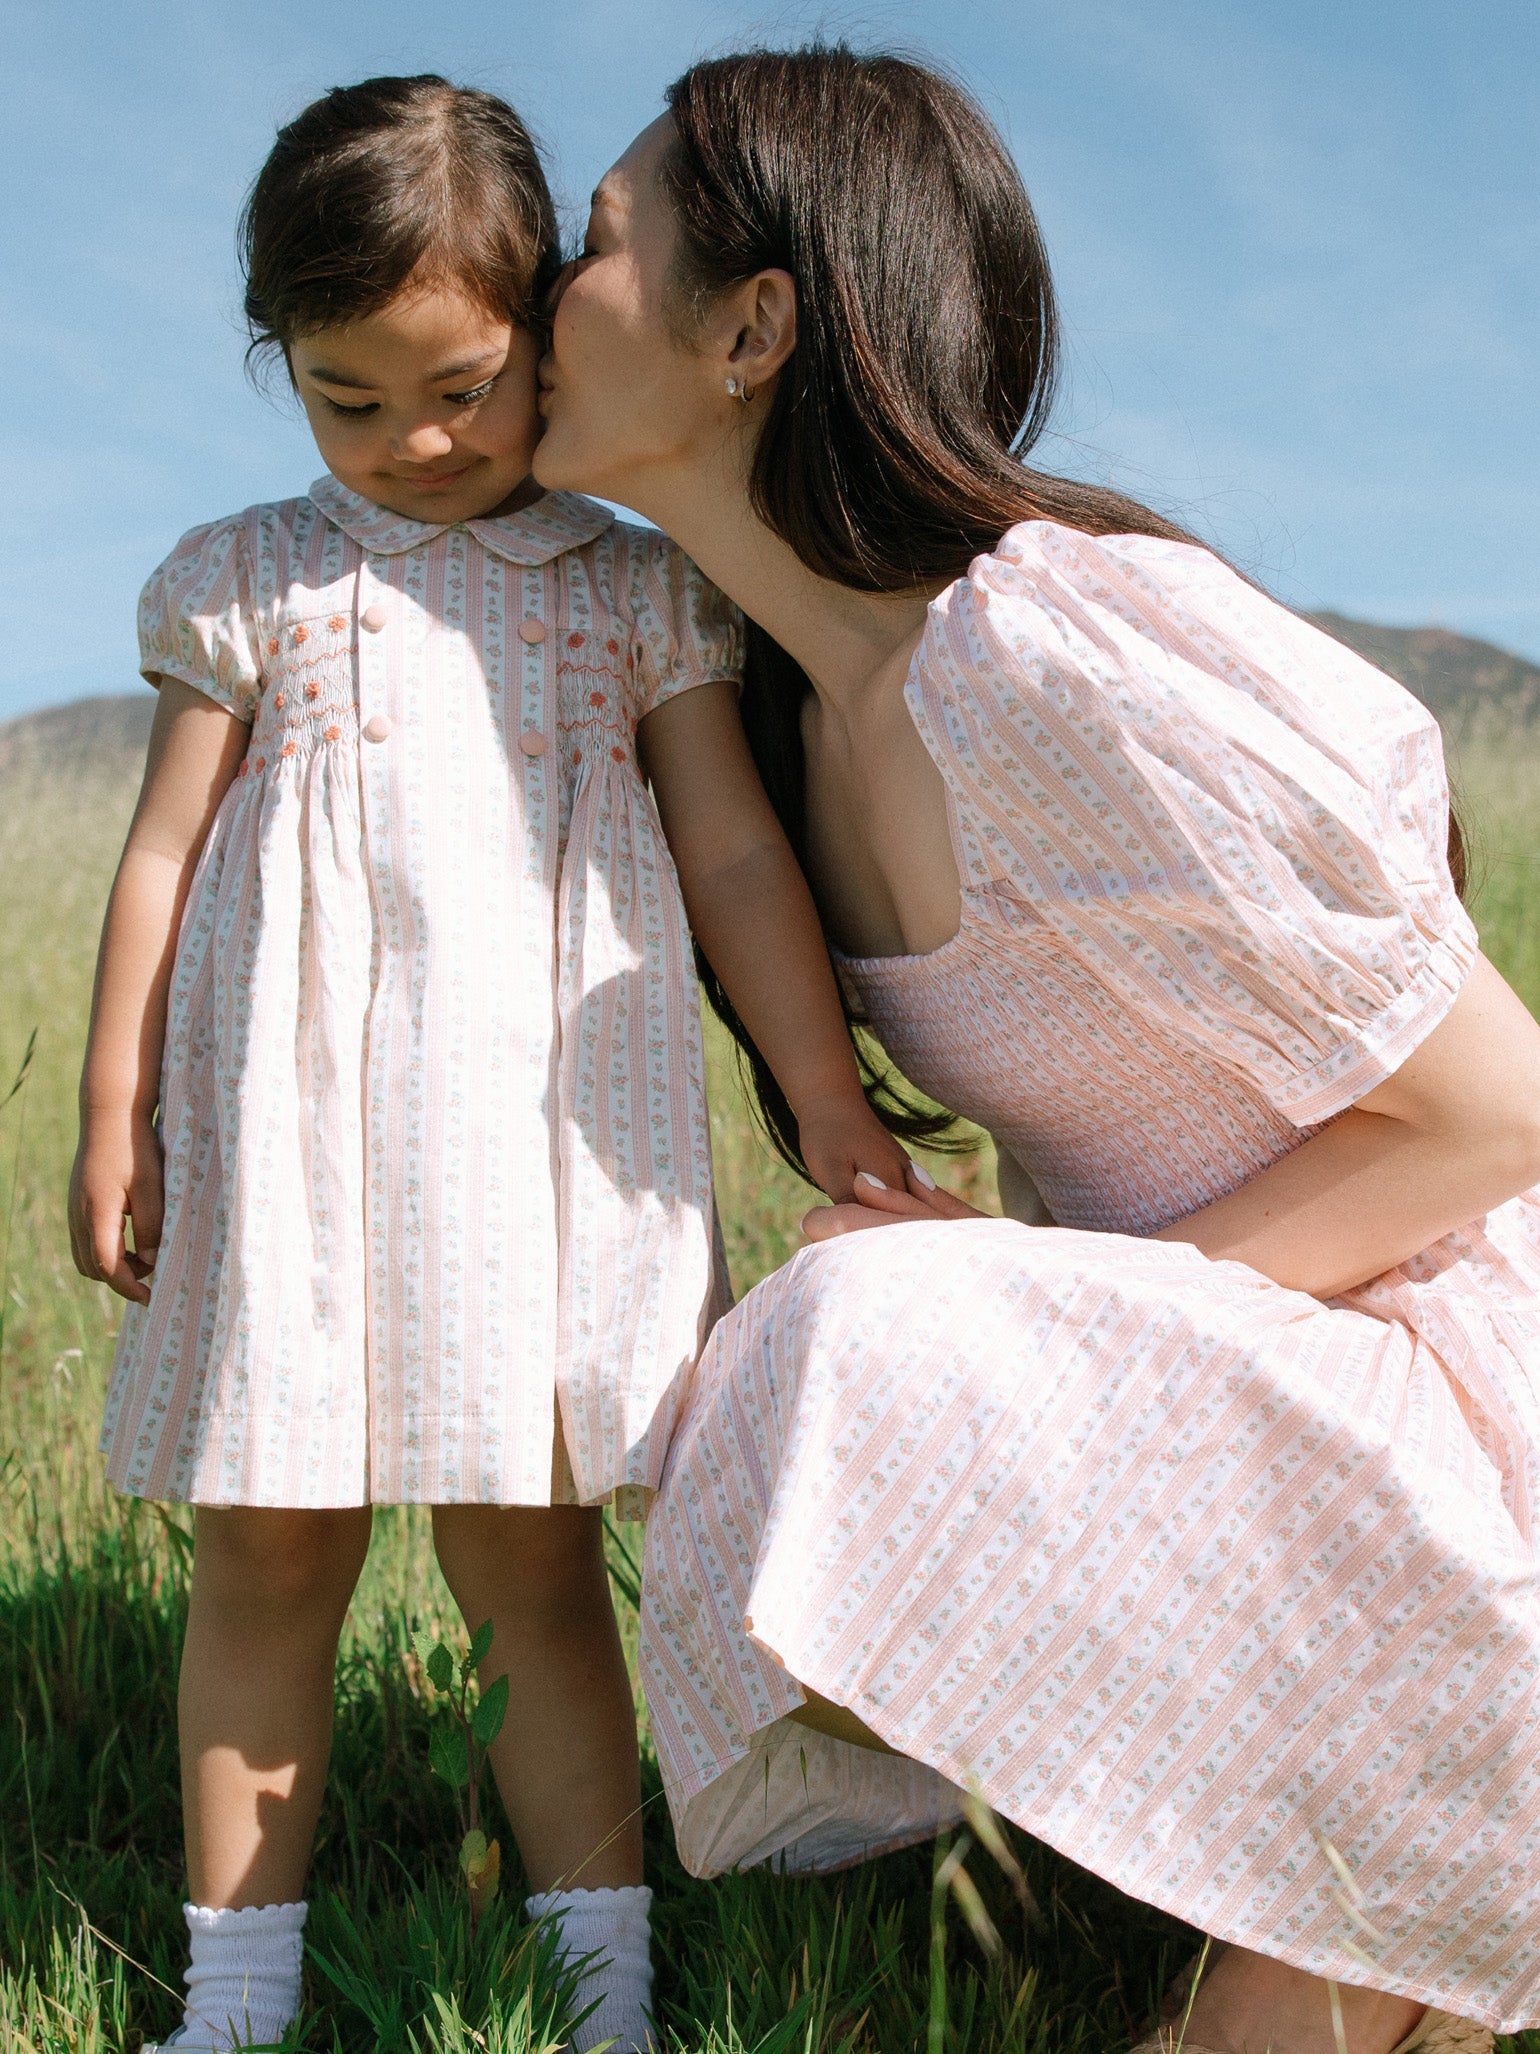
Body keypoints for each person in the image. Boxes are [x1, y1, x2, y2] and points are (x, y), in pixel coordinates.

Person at [530, 43, 1540, 2054]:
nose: (542, 286)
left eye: (596, 238)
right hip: (1249, 1370)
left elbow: (1492, 1112)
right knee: (723, 1345)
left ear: (751, 329)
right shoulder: (778, 731)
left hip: (1454, 1372)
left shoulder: (1044, 648)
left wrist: (1050, 1305)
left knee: (862, 1331)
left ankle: (1415, 1868)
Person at [68, 74, 909, 2054]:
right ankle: (235, 2004)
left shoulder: (625, 590)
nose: (411, 443)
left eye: (456, 386)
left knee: (527, 1561)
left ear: (539, 330)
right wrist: (111, 1101)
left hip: (533, 1162)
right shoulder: (245, 578)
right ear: (280, 370)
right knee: (265, 1551)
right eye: (344, 400)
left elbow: (727, 852)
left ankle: (599, 1993)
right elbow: (164, 852)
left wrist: (821, 1097)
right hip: (283, 1151)